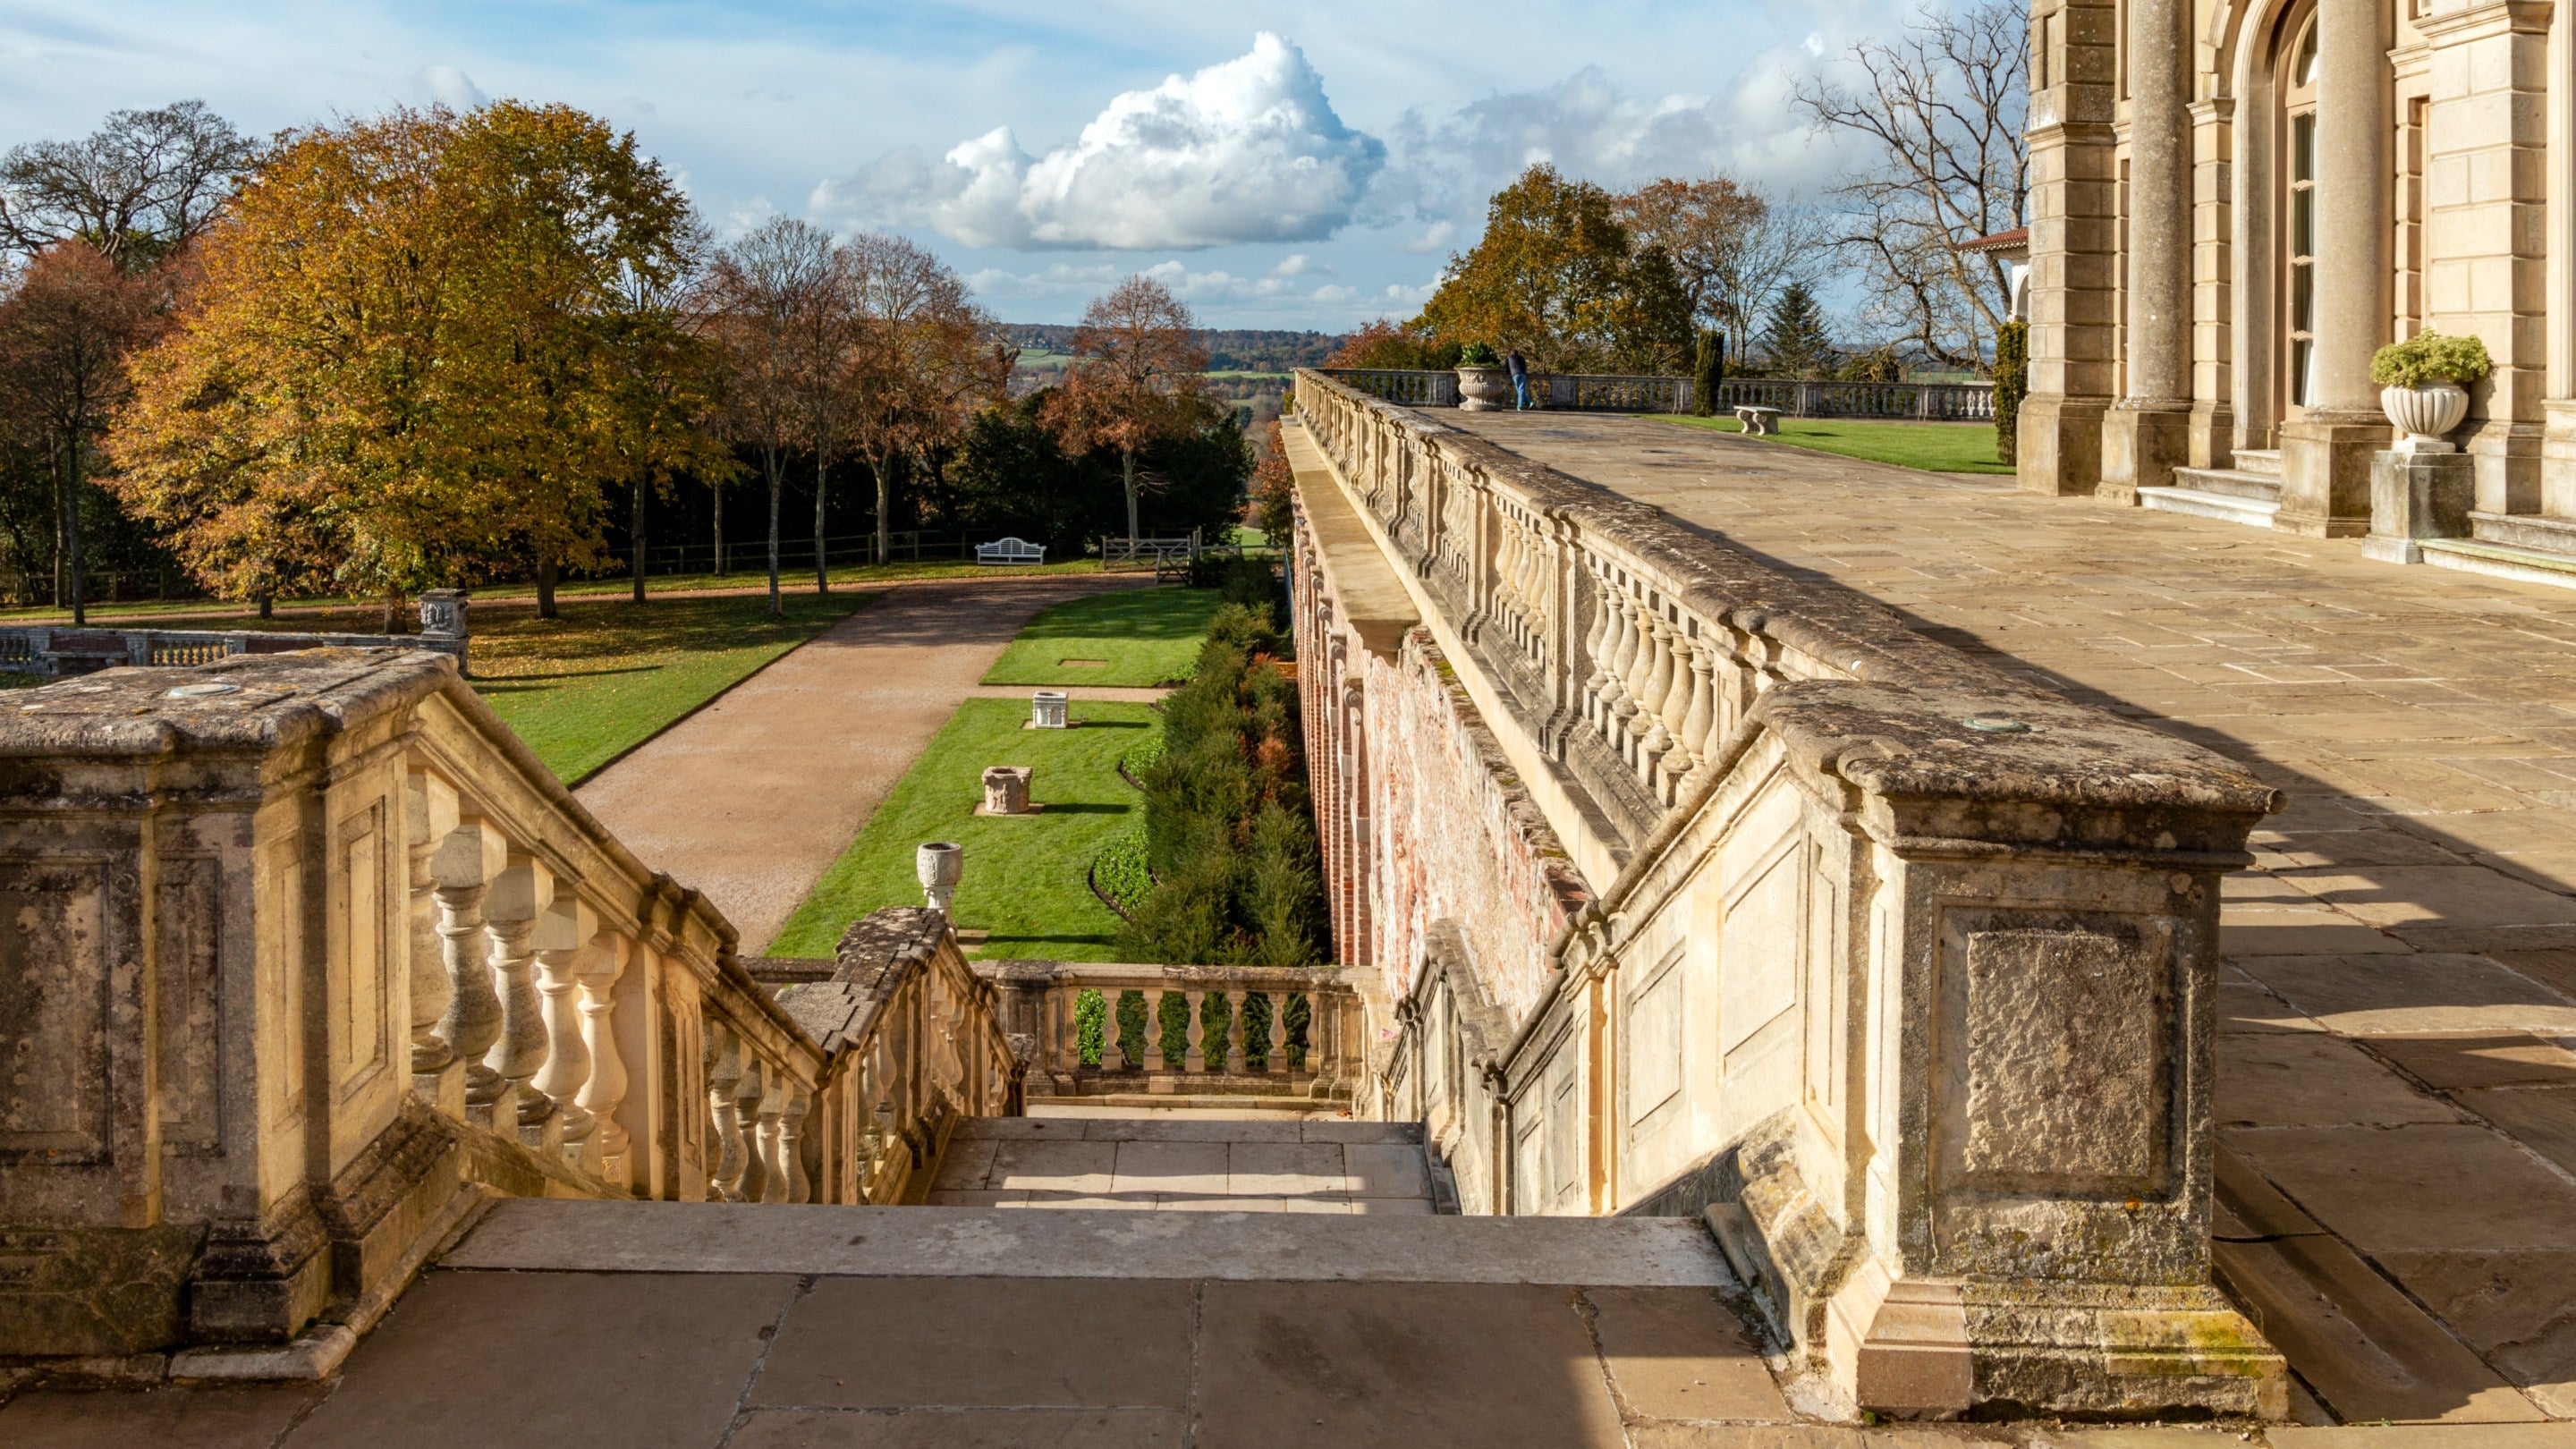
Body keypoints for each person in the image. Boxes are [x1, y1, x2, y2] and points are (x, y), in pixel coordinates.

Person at [1506, 347, 1530, 411]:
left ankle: (1519, 406)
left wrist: (1508, 373)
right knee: (1521, 390)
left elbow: (1507, 367)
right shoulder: (1522, 357)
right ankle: (1529, 402)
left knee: (1520, 390)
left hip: (1515, 374)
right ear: (1517, 353)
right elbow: (1525, 366)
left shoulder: (1509, 358)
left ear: (1511, 353)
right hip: (1522, 374)